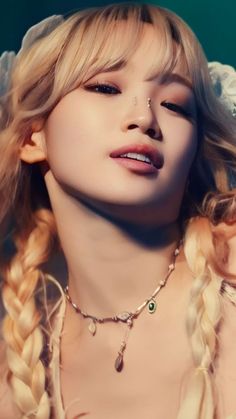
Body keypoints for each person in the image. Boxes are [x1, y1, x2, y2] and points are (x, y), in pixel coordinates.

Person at [0, 3, 236, 418]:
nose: (145, 118)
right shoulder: (18, 363)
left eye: (176, 105)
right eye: (106, 88)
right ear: (32, 137)